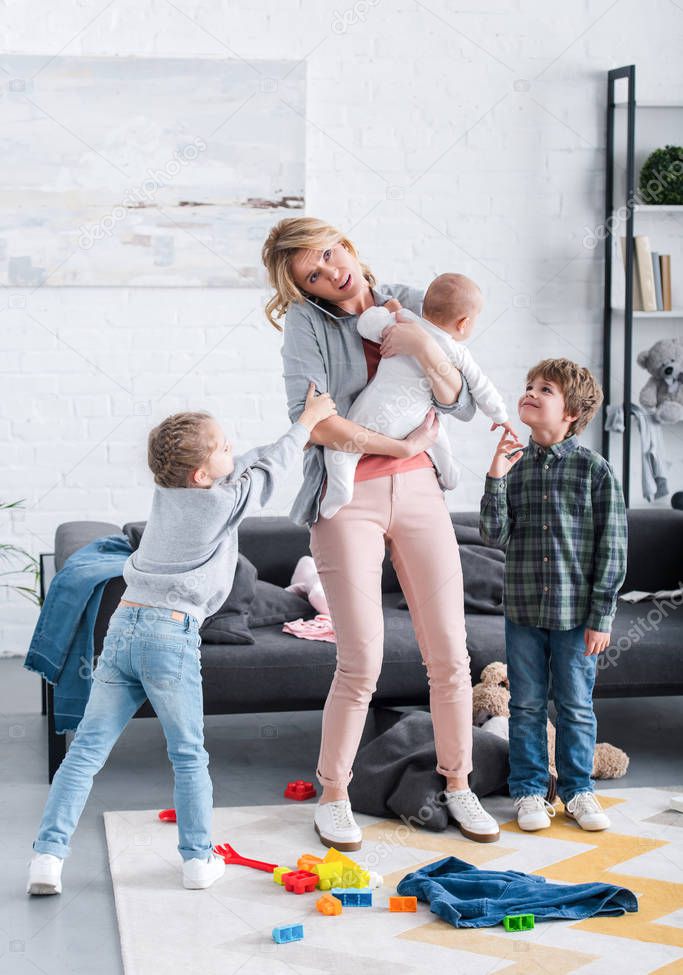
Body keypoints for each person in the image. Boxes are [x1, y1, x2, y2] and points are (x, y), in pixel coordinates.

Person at [26, 384, 336, 894]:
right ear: (201, 474)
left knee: (85, 752)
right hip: (170, 634)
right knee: (189, 753)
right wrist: (306, 424)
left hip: (125, 625)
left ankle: (47, 858)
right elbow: (269, 471)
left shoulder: (170, 492)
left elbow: (247, 464)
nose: (231, 449)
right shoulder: (220, 504)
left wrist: (269, 441)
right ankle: (197, 860)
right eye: (221, 447)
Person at [262, 215, 501, 851]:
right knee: (361, 658)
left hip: (421, 487)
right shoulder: (307, 327)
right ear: (303, 289)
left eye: (329, 254)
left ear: (346, 245)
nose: (330, 272)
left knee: (450, 653)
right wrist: (396, 442)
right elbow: (318, 424)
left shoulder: (414, 300)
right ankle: (333, 794)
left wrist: (422, 346)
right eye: (311, 274)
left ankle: (458, 784)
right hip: (348, 499)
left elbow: (459, 398)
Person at [480, 358, 627, 834]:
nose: (530, 392)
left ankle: (578, 790)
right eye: (528, 385)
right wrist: (496, 477)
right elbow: (493, 533)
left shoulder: (594, 470)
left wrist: (602, 615)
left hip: (576, 614)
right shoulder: (515, 469)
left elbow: (613, 546)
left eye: (545, 389)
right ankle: (527, 790)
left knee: (576, 705)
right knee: (524, 704)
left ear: (571, 412)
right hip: (522, 611)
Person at [320, 273, 513, 519]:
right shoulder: (457, 352)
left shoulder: (403, 320)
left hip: (376, 412)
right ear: (463, 323)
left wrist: (386, 312)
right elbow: (481, 386)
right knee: (435, 430)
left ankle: (341, 488)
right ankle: (449, 472)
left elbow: (364, 324)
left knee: (340, 450)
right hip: (417, 420)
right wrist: (501, 415)